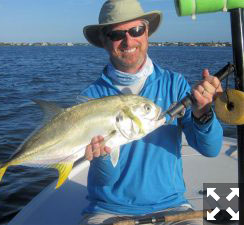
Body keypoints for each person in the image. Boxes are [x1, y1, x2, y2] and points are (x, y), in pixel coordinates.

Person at [79, 0, 223, 224]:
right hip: (109, 210)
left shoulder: (174, 84)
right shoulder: (91, 97)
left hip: (174, 206)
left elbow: (211, 149)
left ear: (147, 33)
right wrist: (103, 156)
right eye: (117, 34)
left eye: (136, 30)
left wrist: (203, 111)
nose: (129, 40)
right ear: (104, 41)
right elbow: (104, 180)